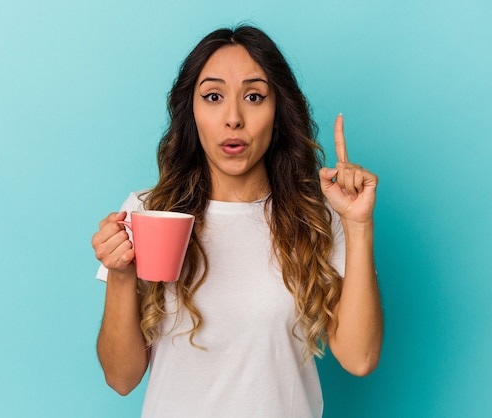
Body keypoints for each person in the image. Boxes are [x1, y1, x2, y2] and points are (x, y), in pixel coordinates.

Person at [91, 25, 383, 418]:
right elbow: (120, 378)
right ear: (190, 112)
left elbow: (359, 358)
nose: (234, 118)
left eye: (254, 96)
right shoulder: (145, 211)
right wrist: (121, 275)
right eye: (213, 96)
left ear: (278, 111)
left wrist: (359, 226)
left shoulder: (316, 217)